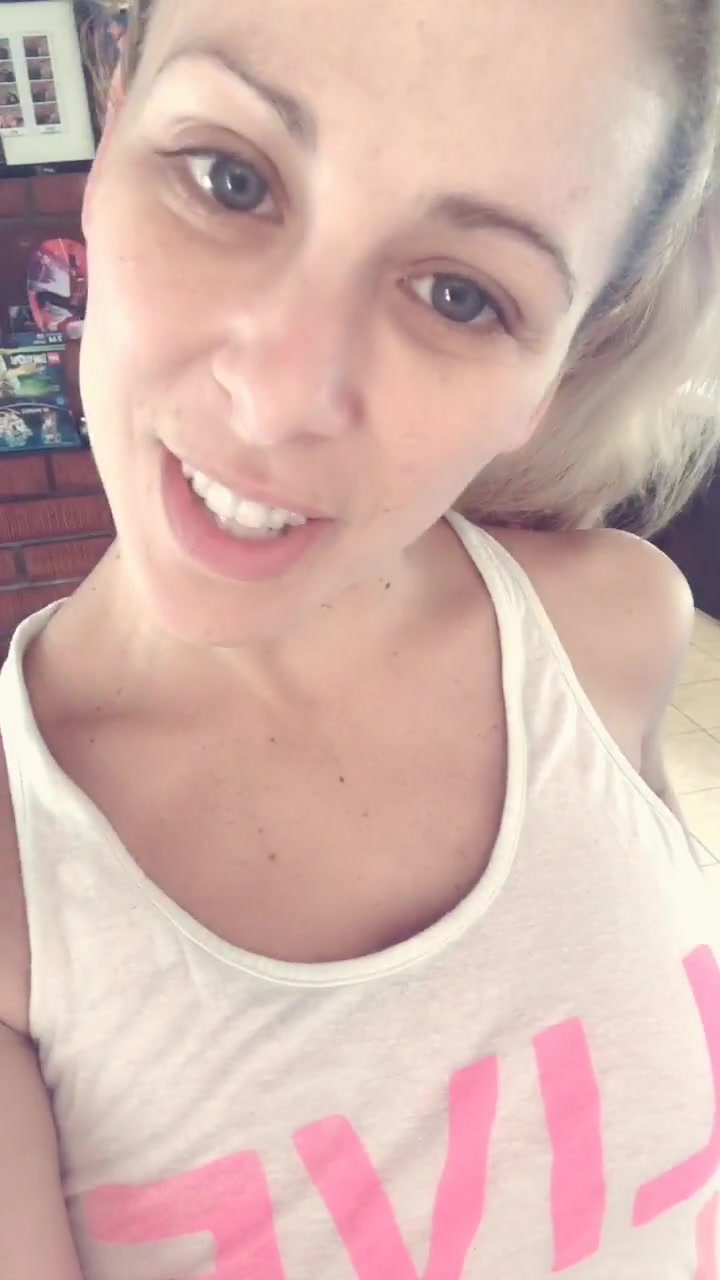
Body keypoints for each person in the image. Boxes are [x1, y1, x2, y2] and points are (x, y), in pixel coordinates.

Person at [0, 0, 719, 1276]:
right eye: (230, 178)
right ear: (109, 134)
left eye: (461, 294)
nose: (279, 398)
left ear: (560, 364)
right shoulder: (21, 897)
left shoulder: (611, 627)